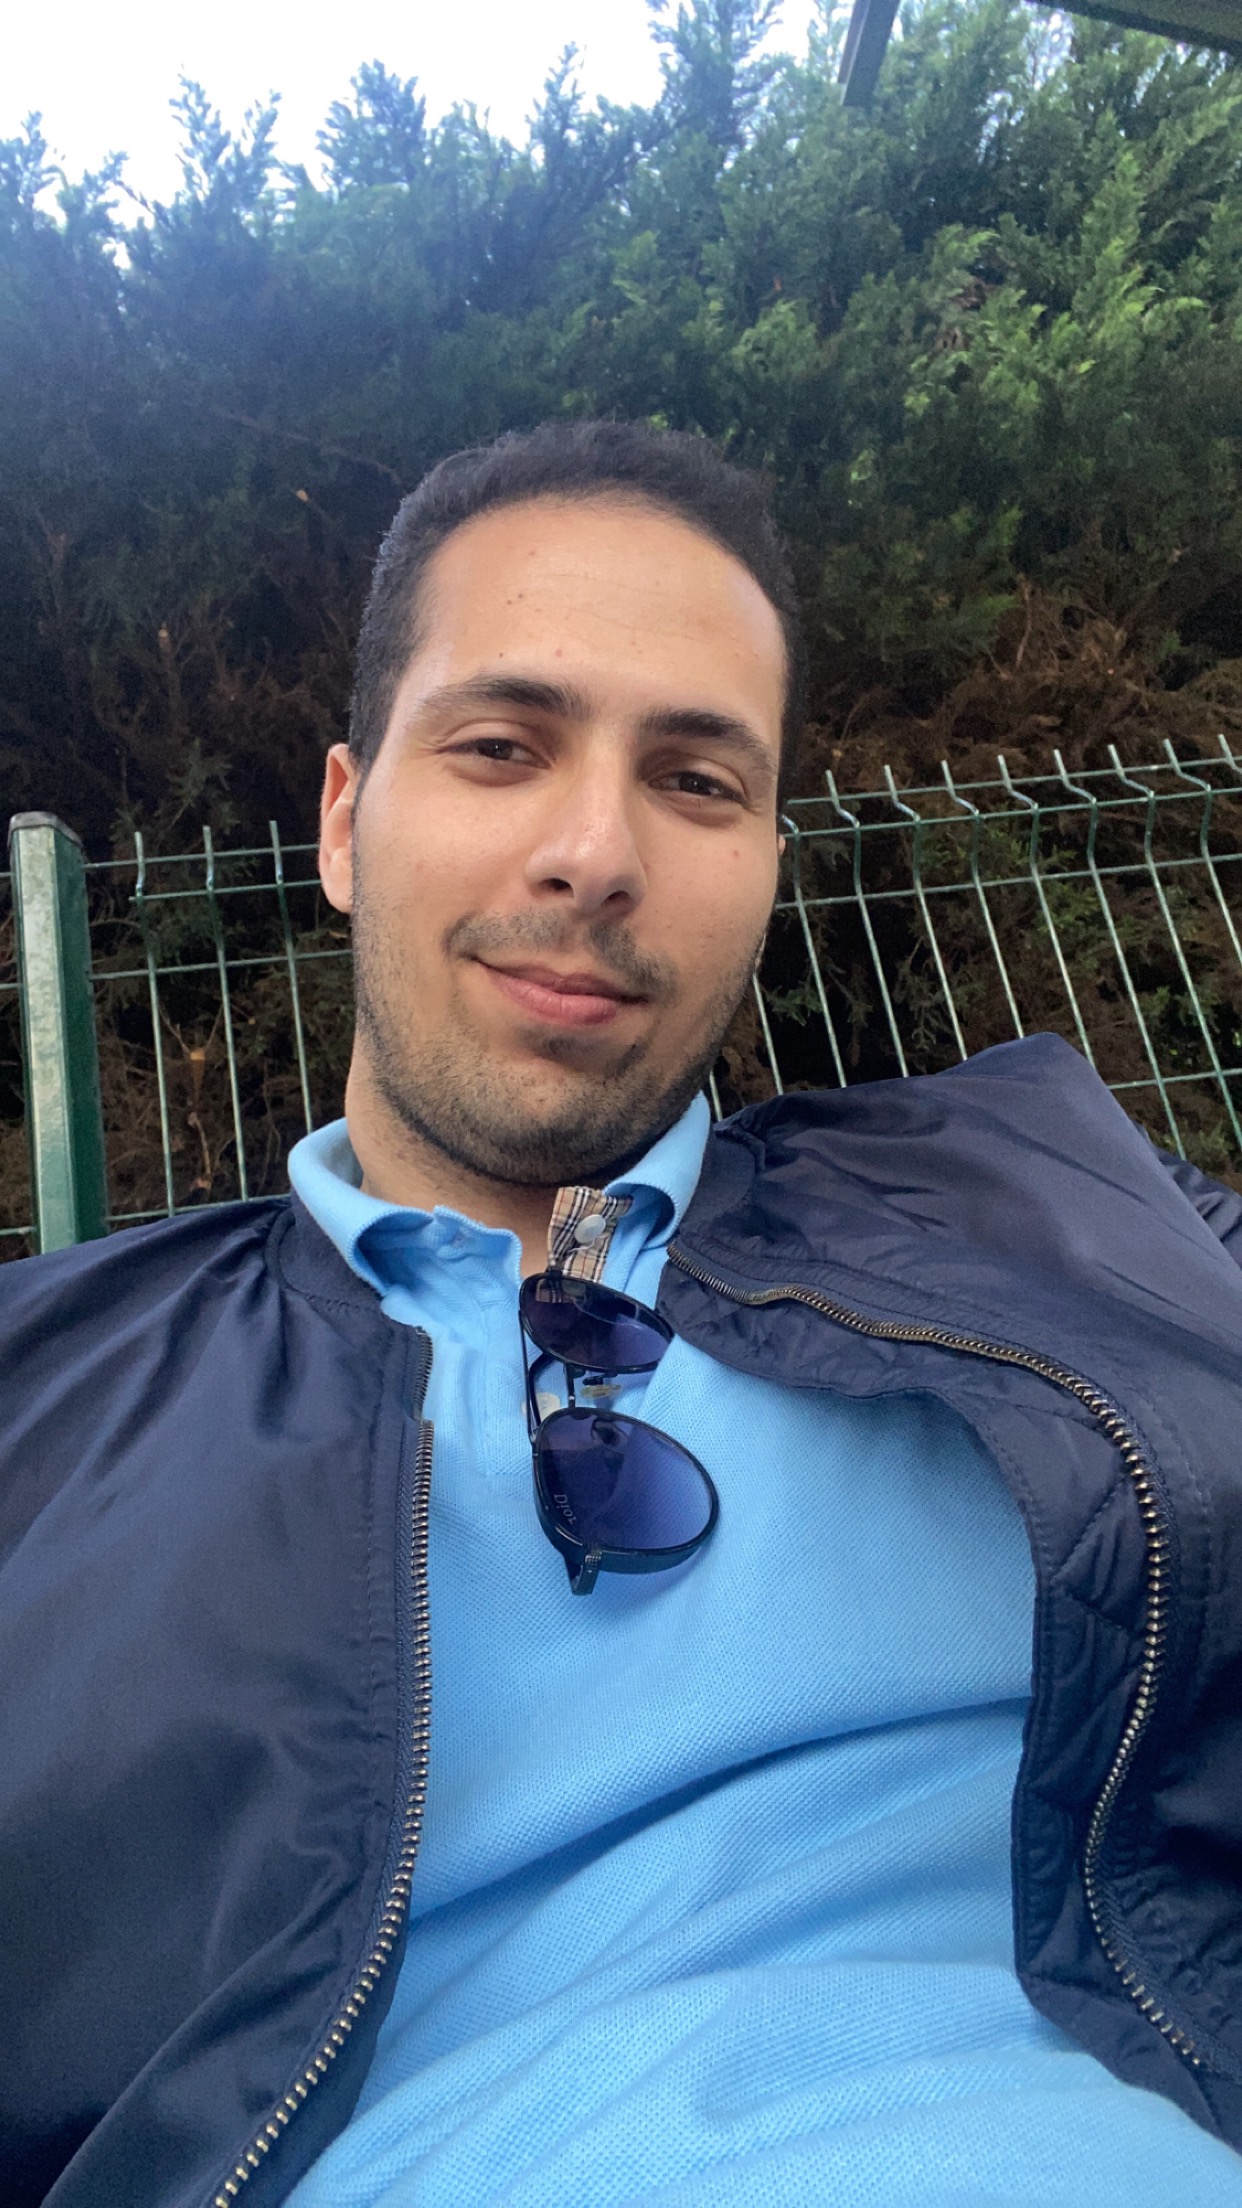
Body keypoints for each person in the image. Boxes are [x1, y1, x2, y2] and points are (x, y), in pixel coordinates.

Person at [3, 421, 1242, 2208]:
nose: (595, 852)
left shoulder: (1064, 1194)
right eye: (501, 748)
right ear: (345, 821)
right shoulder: (45, 1389)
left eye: (696, 781)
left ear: (766, 864)